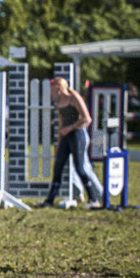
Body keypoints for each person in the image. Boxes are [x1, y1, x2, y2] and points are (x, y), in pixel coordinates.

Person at [35, 78, 104, 209]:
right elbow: (61, 123)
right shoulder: (59, 102)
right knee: (58, 168)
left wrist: (71, 127)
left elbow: (87, 118)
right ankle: (49, 200)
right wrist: (59, 143)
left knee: (80, 167)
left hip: (77, 135)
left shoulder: (74, 97)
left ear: (59, 89)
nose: (51, 93)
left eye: (53, 90)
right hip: (66, 137)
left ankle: (93, 199)